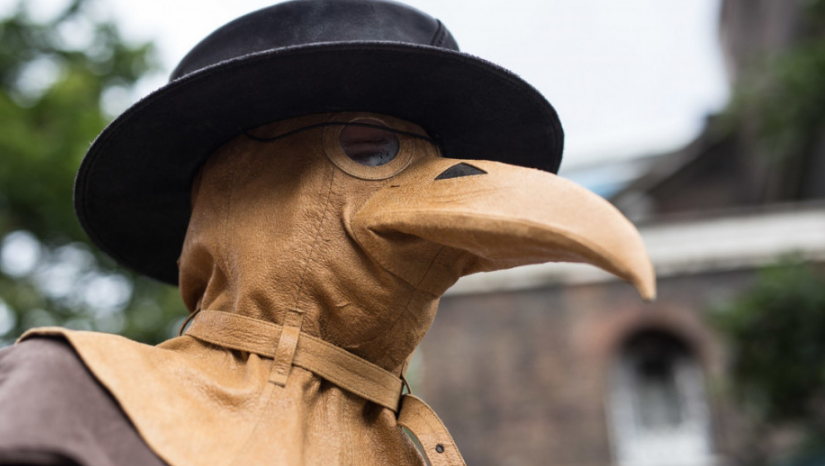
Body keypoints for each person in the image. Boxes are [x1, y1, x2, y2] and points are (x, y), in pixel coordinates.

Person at [0, 1, 656, 465]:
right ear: (241, 187)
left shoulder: (413, 449)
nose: (439, 180)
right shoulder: (71, 390)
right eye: (371, 150)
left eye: (431, 159)